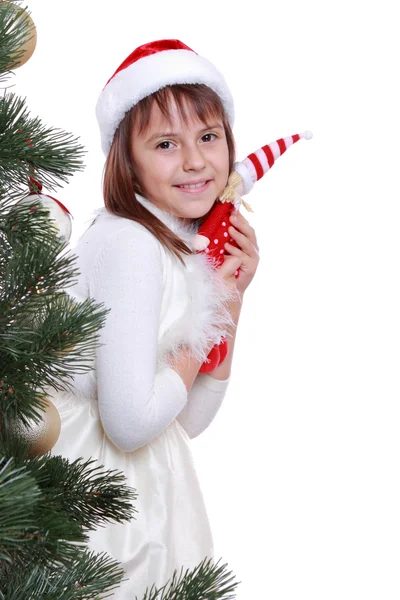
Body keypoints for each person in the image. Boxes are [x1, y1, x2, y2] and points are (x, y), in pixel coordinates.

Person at [51, 39, 260, 599]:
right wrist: (206, 311)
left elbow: (184, 421)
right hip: (99, 508)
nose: (195, 161)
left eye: (208, 137)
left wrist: (228, 298)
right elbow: (131, 424)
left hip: (137, 493)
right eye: (166, 143)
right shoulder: (130, 246)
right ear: (128, 159)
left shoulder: (165, 246)